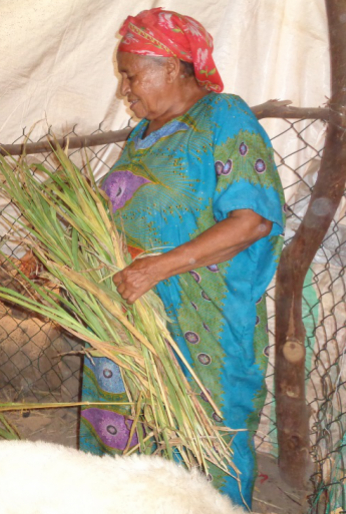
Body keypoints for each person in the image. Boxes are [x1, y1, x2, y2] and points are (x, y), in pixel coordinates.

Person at [80, 8, 286, 510]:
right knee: (127, 441)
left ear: (172, 67)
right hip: (128, 321)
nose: (123, 89)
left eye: (131, 74)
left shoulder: (223, 117)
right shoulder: (139, 137)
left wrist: (157, 267)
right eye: (122, 76)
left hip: (198, 324)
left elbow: (252, 219)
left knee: (203, 443)